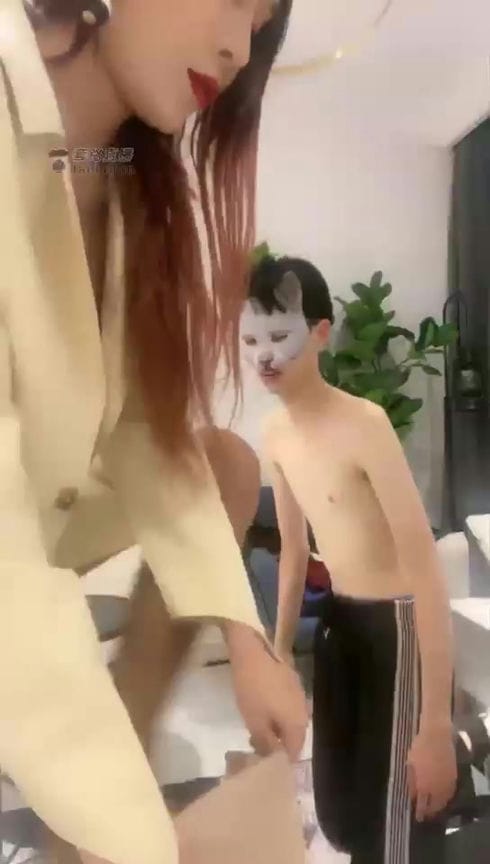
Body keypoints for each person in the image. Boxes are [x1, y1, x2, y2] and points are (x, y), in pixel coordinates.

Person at [0, 3, 309, 864]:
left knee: (222, 461)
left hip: (41, 513)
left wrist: (248, 643)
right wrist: (127, 833)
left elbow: (144, 432)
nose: (237, 49)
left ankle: (89, 821)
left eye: (260, 28)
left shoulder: (118, 175)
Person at [240, 253, 458, 862]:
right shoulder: (275, 433)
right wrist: (280, 658)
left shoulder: (366, 424)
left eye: (279, 336)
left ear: (319, 333)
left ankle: (457, 746)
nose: (264, 356)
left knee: (399, 818)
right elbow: (292, 552)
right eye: (251, 340)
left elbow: (427, 571)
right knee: (341, 810)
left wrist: (435, 725)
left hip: (398, 626)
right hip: (340, 622)